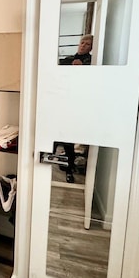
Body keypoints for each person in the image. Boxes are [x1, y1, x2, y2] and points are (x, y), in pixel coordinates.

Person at [60, 34, 92, 182]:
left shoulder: (91, 62)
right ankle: (68, 164)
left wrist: (83, 68)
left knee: (77, 133)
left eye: (87, 44)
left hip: (83, 102)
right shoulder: (69, 60)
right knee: (66, 134)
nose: (83, 45)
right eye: (82, 42)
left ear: (92, 47)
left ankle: (73, 164)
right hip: (66, 100)